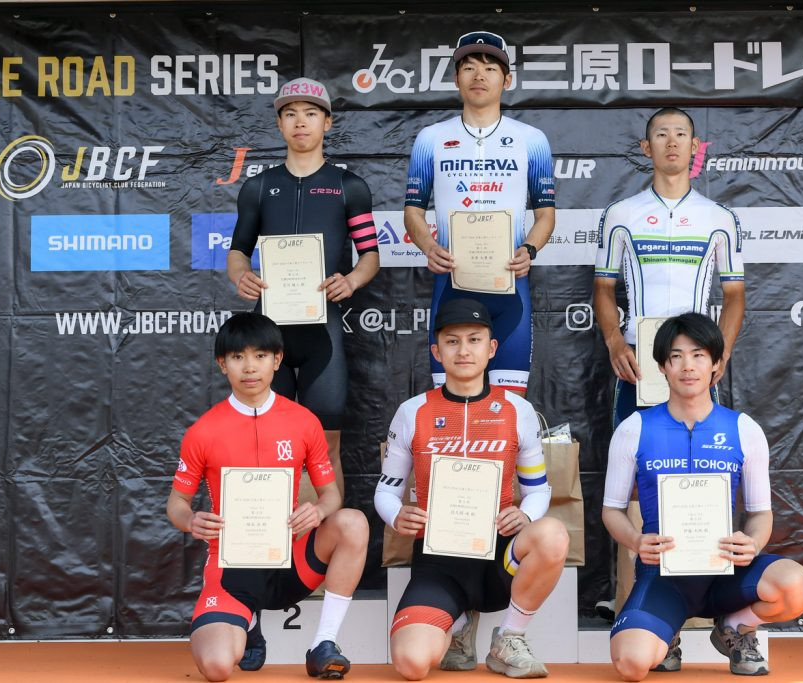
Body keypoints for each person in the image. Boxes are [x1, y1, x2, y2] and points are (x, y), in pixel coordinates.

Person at [601, 313, 803, 678]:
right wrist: (636, 540)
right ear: (662, 367)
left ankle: (735, 626)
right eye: (676, 356)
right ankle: (667, 634)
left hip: (726, 572)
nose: (688, 366)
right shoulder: (634, 429)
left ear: (716, 363)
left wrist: (752, 542)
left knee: (797, 586)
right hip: (663, 575)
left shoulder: (743, 429)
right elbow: (612, 510)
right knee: (631, 664)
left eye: (698, 355)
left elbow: (761, 513)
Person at [166, 312, 369, 681]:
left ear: (277, 360)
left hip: (290, 560)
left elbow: (331, 496)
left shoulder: (303, 421)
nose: (249, 367)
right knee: (215, 667)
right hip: (232, 566)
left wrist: (318, 511)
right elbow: (176, 504)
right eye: (237, 357)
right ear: (222, 364)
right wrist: (191, 520)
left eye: (260, 356)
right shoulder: (203, 431)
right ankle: (248, 622)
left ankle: (323, 643)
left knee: (352, 522)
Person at [375, 298, 569, 680]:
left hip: (501, 559)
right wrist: (397, 515)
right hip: (439, 562)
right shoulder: (412, 411)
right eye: (452, 341)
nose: (463, 350)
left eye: (474, 340)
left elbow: (538, 490)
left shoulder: (518, 410)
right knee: (411, 663)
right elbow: (385, 491)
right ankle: (460, 625)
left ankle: (508, 637)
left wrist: (526, 514)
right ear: (437, 351)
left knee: (553, 534)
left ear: (491, 348)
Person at [228, 76, 380, 498]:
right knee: (263, 444)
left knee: (325, 448)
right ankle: (268, 535)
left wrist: (351, 280)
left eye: (311, 114)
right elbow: (238, 252)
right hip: (268, 332)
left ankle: (325, 537)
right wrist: (240, 275)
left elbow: (370, 255)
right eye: (290, 114)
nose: (300, 122)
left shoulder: (350, 187)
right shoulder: (258, 187)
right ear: (279, 124)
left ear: (326, 123)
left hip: (322, 333)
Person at [404, 30, 555, 394]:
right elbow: (412, 211)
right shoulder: (431, 138)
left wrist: (529, 250)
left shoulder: (532, 139)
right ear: (457, 79)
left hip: (510, 286)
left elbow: (546, 215)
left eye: (490, 68)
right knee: (449, 403)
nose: (479, 75)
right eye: (469, 67)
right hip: (451, 284)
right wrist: (429, 247)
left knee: (509, 406)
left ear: (507, 79)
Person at [593, 106, 745, 428]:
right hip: (638, 356)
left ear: (695, 145)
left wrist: (723, 351)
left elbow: (735, 294)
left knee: (697, 451)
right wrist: (614, 342)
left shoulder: (720, 217)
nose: (671, 142)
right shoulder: (620, 214)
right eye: (661, 135)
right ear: (647, 147)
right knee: (634, 450)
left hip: (697, 354)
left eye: (680, 134)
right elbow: (603, 286)